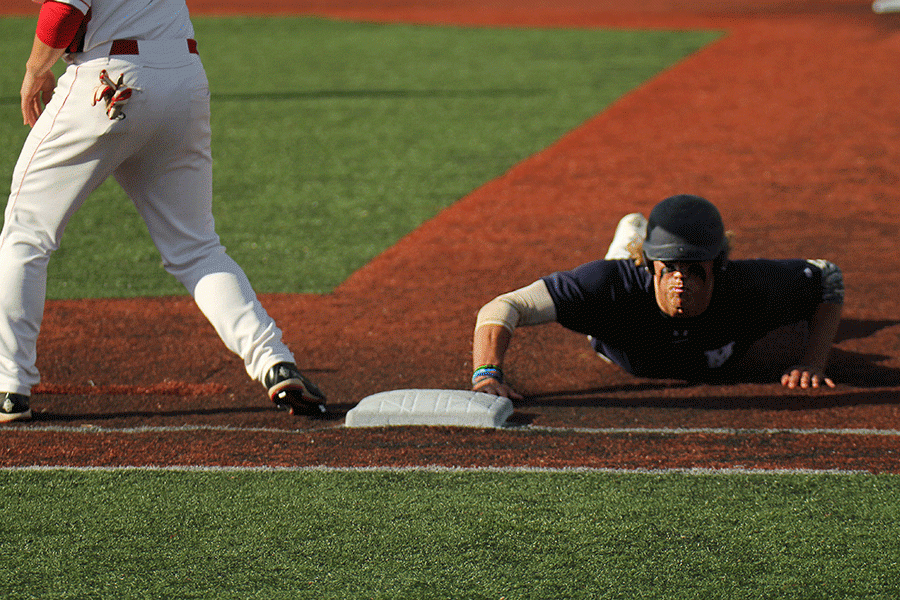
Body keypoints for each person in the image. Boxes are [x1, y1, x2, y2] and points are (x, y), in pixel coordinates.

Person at [0, 0, 326, 422]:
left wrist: (34, 70)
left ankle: (10, 386)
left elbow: (63, 11)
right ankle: (274, 362)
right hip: (182, 78)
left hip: (107, 80)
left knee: (26, 234)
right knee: (196, 247)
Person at [471, 194, 844, 399]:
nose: (679, 277)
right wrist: (486, 374)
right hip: (618, 335)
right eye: (667, 266)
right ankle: (628, 239)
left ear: (719, 263)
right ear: (649, 264)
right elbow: (504, 305)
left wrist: (814, 361)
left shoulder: (749, 284)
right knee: (617, 270)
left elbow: (828, 275)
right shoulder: (606, 286)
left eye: (694, 266)